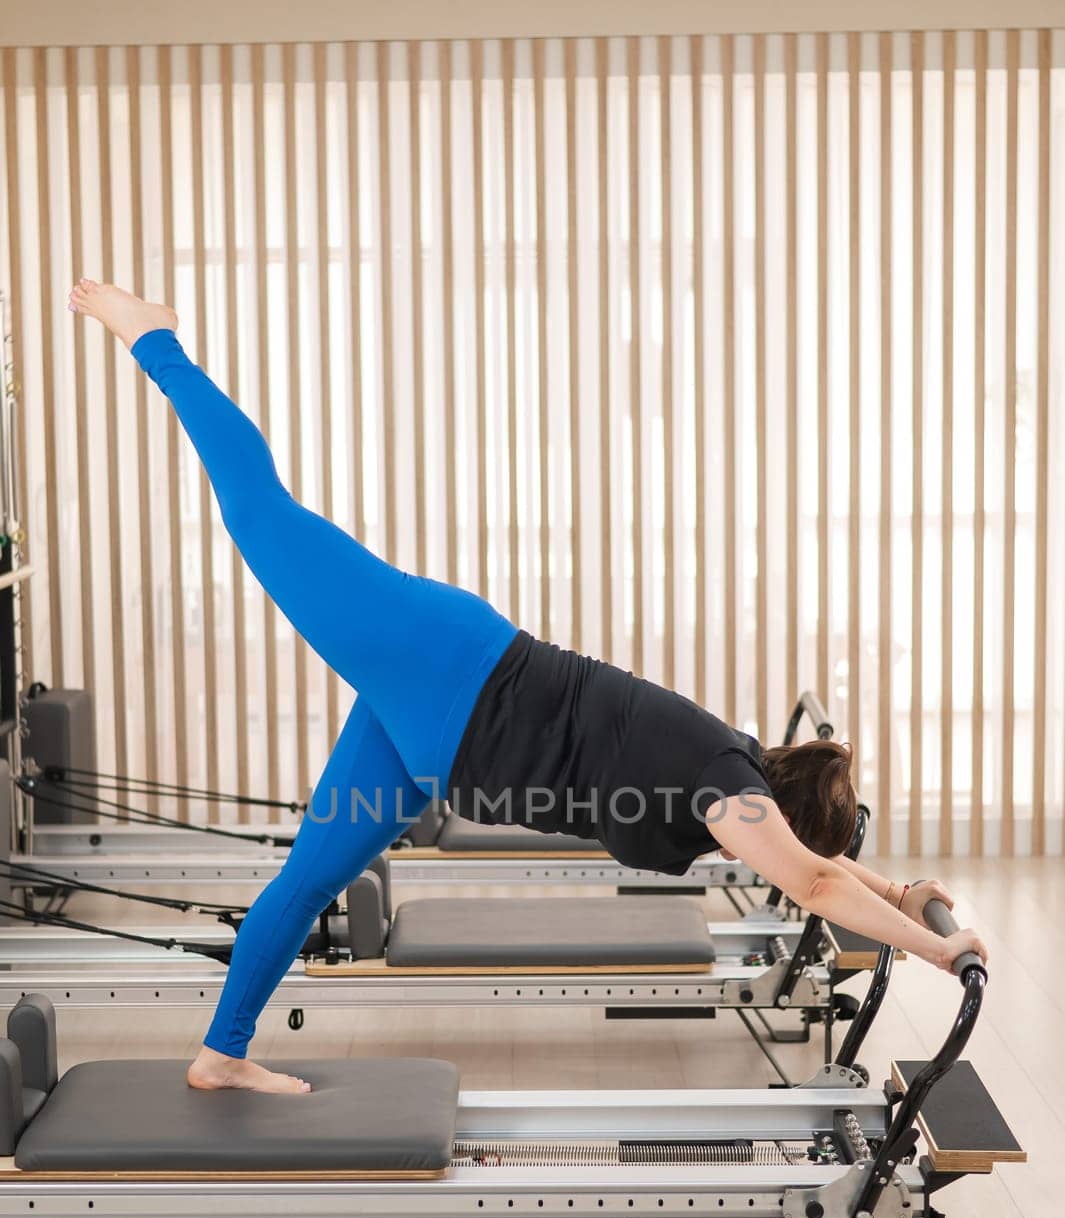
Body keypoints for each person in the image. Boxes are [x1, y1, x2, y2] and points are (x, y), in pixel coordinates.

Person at [67, 280, 989, 1094]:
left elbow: (827, 869)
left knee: (308, 883)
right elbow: (820, 880)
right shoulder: (730, 787)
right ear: (774, 812)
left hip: (442, 741)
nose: (778, 862)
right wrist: (942, 947)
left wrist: (903, 892)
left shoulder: (738, 780)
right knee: (264, 511)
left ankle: (221, 1054)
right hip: (449, 669)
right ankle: (152, 338)